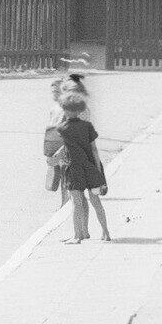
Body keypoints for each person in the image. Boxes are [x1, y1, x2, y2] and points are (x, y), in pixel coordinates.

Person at [55, 95, 110, 241]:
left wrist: (55, 158)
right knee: (96, 201)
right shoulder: (87, 126)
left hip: (74, 168)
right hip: (91, 166)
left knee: (77, 202)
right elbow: (94, 150)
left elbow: (66, 148)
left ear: (65, 110)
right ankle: (106, 232)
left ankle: (77, 235)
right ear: (79, 110)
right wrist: (99, 172)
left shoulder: (62, 128)